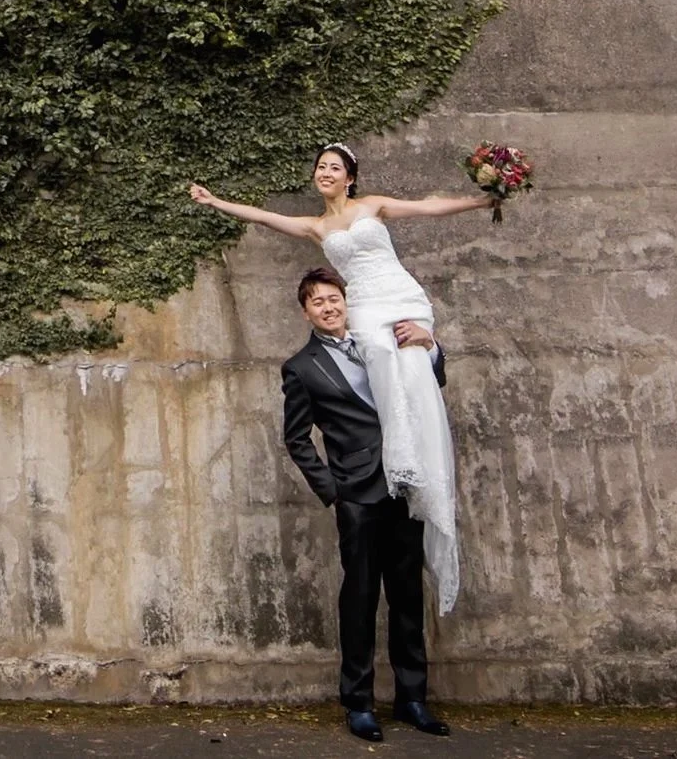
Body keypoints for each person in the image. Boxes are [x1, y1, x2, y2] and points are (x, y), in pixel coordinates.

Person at [188, 145, 495, 742]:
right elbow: (297, 436)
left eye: (333, 300)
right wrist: (334, 491)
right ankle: (357, 702)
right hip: (356, 492)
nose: (327, 307)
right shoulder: (302, 366)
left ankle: (413, 699)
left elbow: (431, 214)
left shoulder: (385, 335)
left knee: (407, 595)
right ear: (306, 312)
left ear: (351, 177)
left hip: (403, 483)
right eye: (317, 303)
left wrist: (428, 341)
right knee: (358, 598)